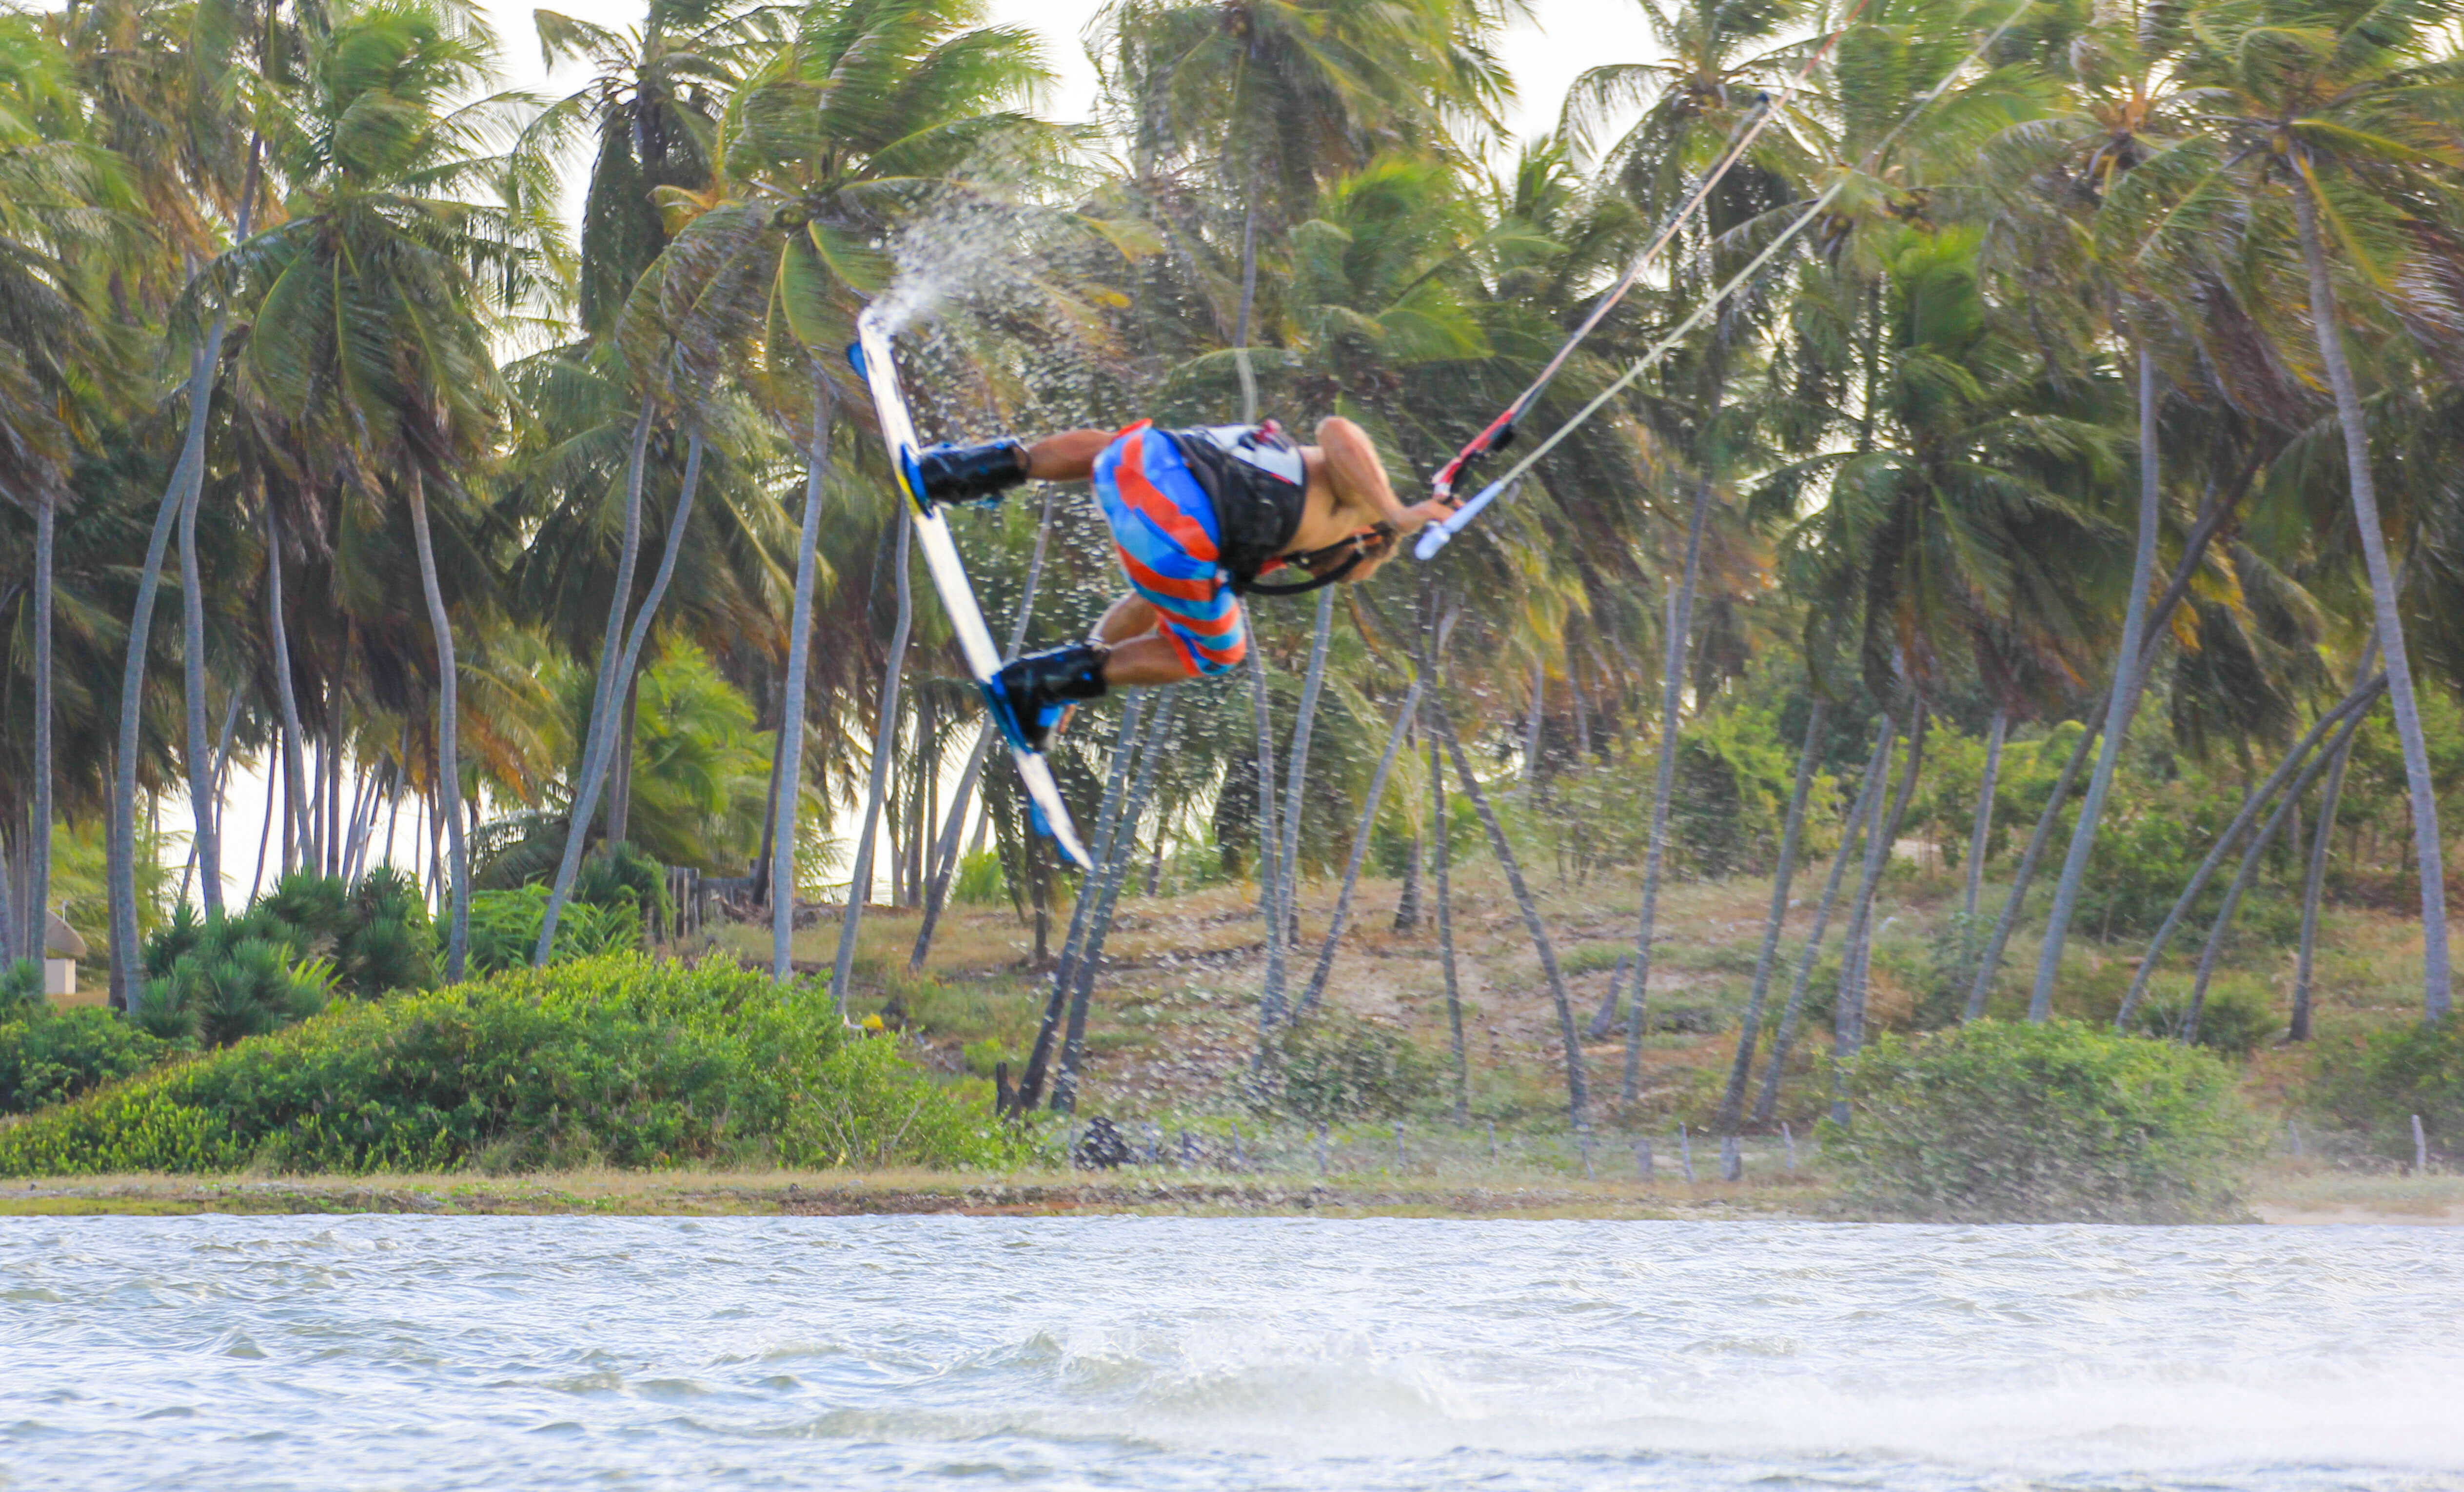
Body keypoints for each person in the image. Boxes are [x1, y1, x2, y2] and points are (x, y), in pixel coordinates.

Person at [914, 417, 1455, 749]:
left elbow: (1145, 602)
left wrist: (1089, 661)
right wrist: (1397, 512)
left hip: (1140, 473)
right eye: (1337, 570)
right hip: (1176, 531)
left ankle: (957, 472)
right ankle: (1033, 685)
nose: (1318, 573)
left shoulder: (1269, 529)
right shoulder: (1362, 505)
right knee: (1219, 651)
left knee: (1116, 445)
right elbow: (1337, 430)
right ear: (1365, 541)